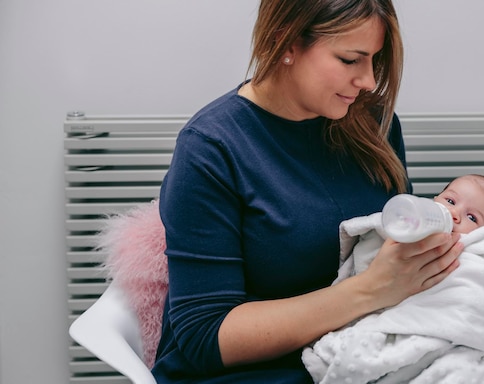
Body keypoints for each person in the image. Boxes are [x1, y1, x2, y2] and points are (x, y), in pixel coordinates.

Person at [152, 1, 463, 383]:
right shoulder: (212, 148)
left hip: (362, 357)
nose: (368, 80)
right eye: (351, 60)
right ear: (286, 42)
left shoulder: (373, 124)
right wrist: (369, 291)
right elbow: (205, 338)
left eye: (374, 59)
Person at [301, 174, 484, 383]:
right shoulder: (411, 233)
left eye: (473, 218)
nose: (455, 214)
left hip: (444, 335)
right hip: (384, 316)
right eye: (450, 201)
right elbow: (371, 253)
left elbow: (481, 299)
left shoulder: (480, 256)